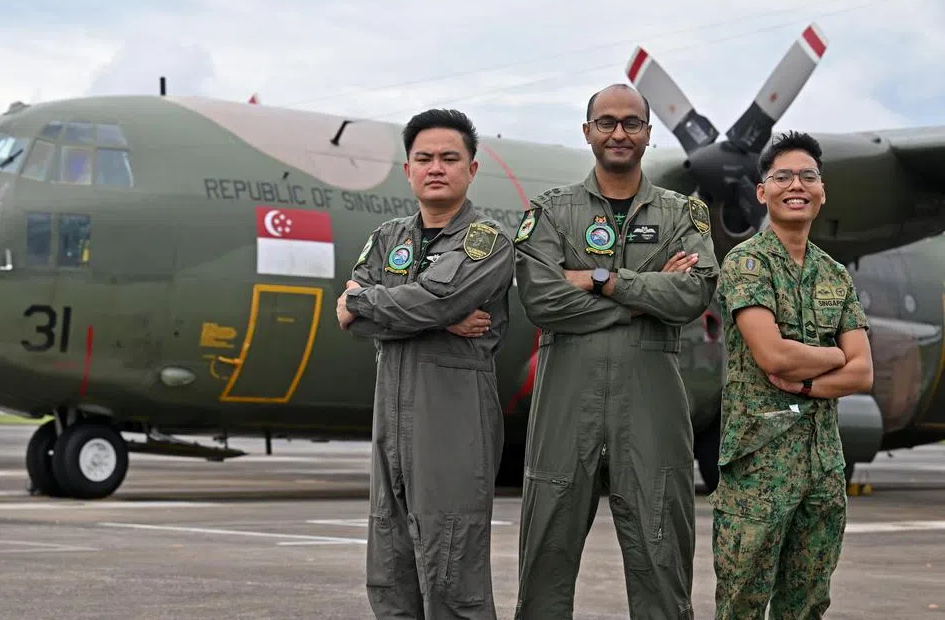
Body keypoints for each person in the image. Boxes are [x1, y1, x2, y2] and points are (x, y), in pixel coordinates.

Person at [511, 83, 719, 619]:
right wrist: (644, 296)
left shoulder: (681, 214)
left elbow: (693, 294)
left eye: (631, 123)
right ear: (588, 133)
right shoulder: (551, 211)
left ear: (649, 134)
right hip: (566, 402)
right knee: (545, 557)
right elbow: (542, 298)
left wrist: (600, 280)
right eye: (606, 122)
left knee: (661, 554)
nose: (619, 132)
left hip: (650, 402)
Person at [336, 108, 516, 619]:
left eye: (449, 158)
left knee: (451, 572)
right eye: (424, 158)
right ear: (408, 170)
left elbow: (436, 299)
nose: (436, 167)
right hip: (390, 417)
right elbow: (360, 316)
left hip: (452, 418)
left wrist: (372, 303)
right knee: (389, 571)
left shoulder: (487, 240)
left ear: (472, 169)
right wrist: (437, 316)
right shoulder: (389, 237)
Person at [711, 130, 873, 619]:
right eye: (782, 176)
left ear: (822, 192)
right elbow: (774, 356)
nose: (795, 185)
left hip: (822, 466)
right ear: (762, 191)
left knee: (807, 602)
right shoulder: (746, 263)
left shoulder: (834, 275)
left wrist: (808, 383)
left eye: (808, 176)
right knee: (742, 599)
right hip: (758, 466)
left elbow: (863, 371)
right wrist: (835, 356)